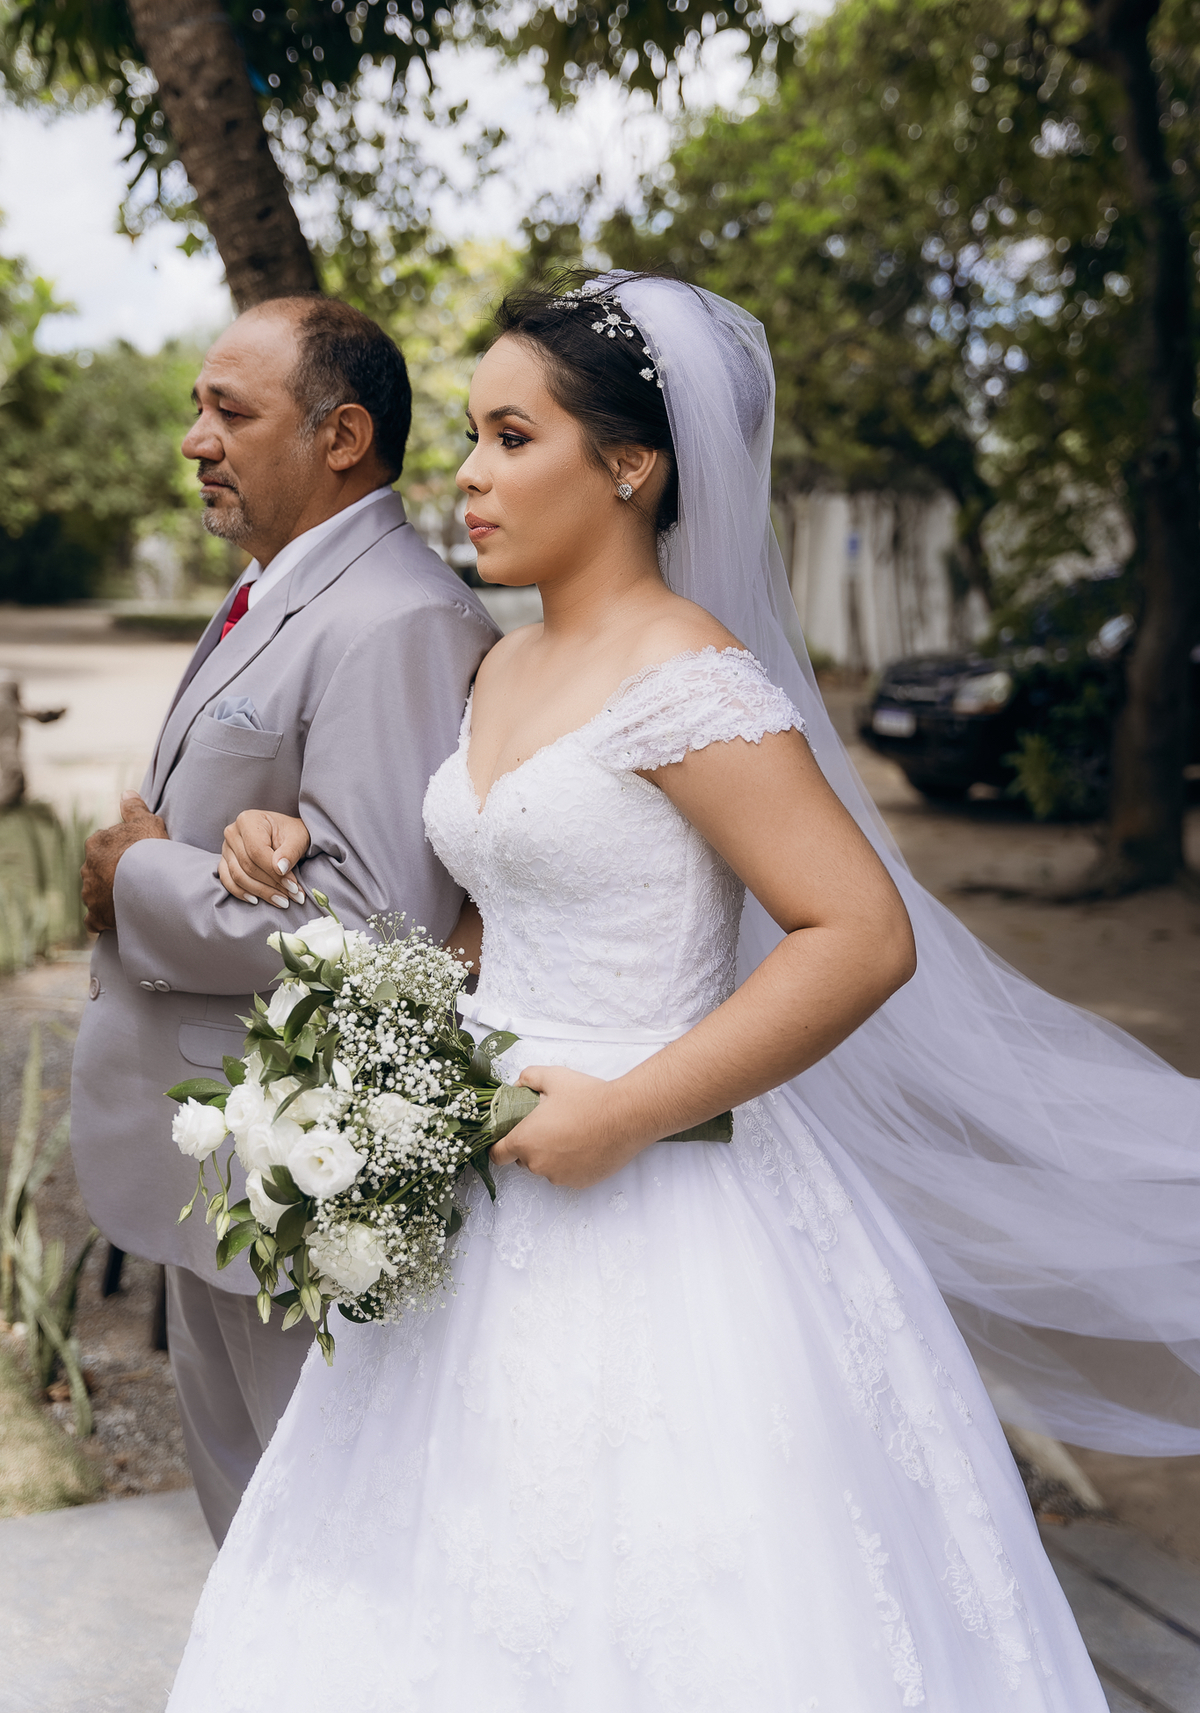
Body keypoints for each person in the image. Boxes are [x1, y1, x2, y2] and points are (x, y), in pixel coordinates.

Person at [166, 275, 1200, 1710]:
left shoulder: (689, 677)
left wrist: (627, 1116)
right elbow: (491, 915)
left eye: (514, 437)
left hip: (664, 1194)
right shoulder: (506, 662)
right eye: (472, 436)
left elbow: (858, 933)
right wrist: (280, 841)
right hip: (479, 1184)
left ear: (632, 465)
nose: (468, 473)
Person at [72, 295, 498, 1546]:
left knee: (308, 1544)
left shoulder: (403, 617)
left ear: (343, 436)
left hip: (295, 1182)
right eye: (199, 407)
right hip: (216, 1164)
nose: (196, 439)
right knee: (243, 1533)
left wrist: (133, 876)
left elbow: (375, 927)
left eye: (230, 411)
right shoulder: (271, 590)